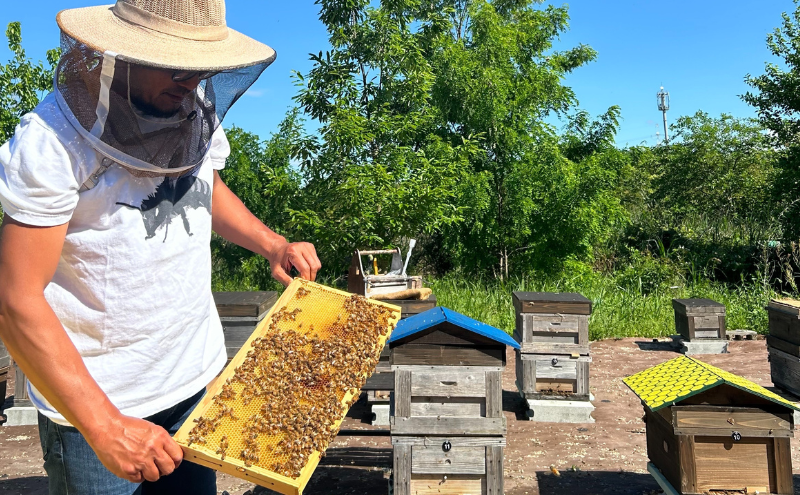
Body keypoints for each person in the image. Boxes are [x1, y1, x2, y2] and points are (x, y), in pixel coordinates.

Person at [0, 1, 321, 494]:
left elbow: (203, 185)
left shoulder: (192, 113)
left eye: (198, 67)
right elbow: (14, 299)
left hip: (194, 381)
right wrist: (105, 426)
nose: (188, 80)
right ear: (124, 51)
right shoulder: (51, 144)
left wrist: (272, 244)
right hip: (98, 406)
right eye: (171, 62)